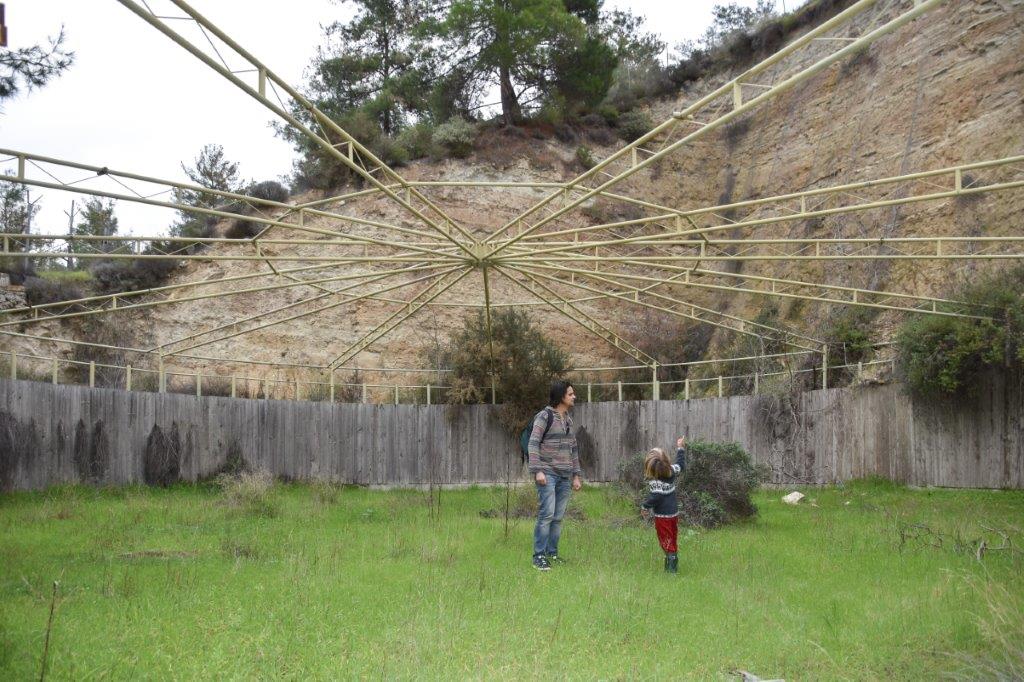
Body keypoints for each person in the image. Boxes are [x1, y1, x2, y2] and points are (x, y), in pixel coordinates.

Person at [527, 380, 582, 571]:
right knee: (547, 514)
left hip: (565, 476)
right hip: (547, 474)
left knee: (557, 517)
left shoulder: (568, 419)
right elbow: (533, 443)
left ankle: (552, 553)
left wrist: (576, 475)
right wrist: (538, 470)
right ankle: (539, 557)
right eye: (570, 394)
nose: (574, 396)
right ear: (561, 397)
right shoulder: (544, 416)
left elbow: (573, 448)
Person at [640, 437, 687, 573]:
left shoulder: (656, 483)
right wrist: (680, 448)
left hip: (663, 518)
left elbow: (655, 497)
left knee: (666, 541)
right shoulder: (672, 471)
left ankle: (671, 570)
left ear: (651, 467)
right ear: (666, 461)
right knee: (672, 538)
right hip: (673, 514)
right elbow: (680, 464)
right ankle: (671, 563)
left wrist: (645, 507)